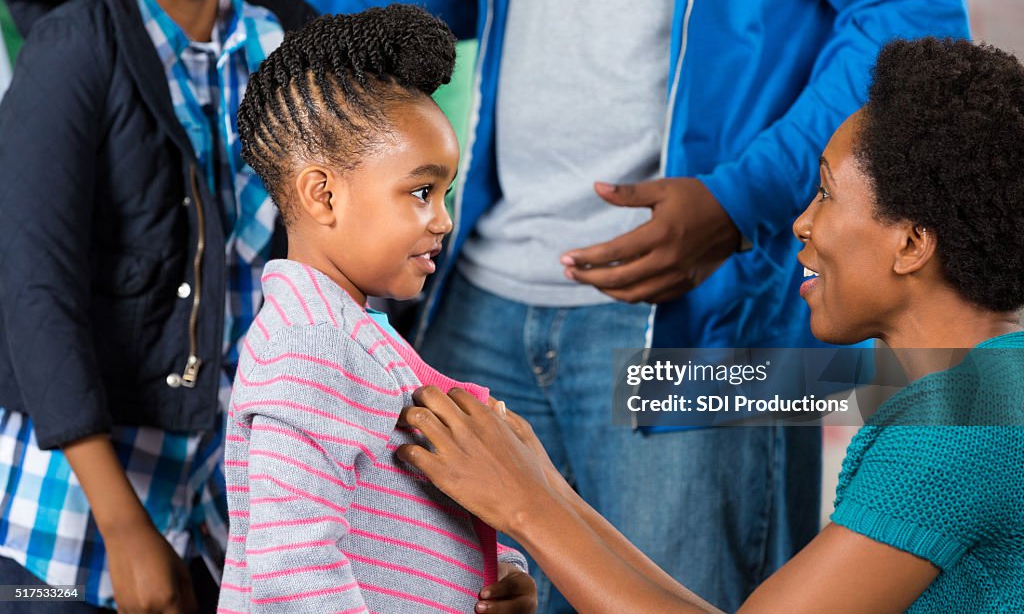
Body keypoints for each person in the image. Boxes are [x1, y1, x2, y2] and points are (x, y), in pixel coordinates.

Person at [268, 0, 971, 610]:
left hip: (706, 313)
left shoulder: (968, 424)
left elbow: (913, 14)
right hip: (481, 299)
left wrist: (741, 201)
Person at [394, 37, 1024, 613]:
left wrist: (527, 509)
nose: (802, 223)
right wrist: (551, 494)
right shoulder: (996, 386)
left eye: (827, 194)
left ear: (912, 243)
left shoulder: (952, 437)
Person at [0, 0, 314, 611]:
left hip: (229, 487)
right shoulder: (73, 46)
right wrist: (121, 524)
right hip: (77, 506)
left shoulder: (285, 32)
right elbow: (33, 292)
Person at [218, 5, 535, 614]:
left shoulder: (354, 338)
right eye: (420, 192)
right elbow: (295, 569)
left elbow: (408, 506)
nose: (442, 219)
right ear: (324, 194)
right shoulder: (306, 350)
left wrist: (501, 568)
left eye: (445, 192)